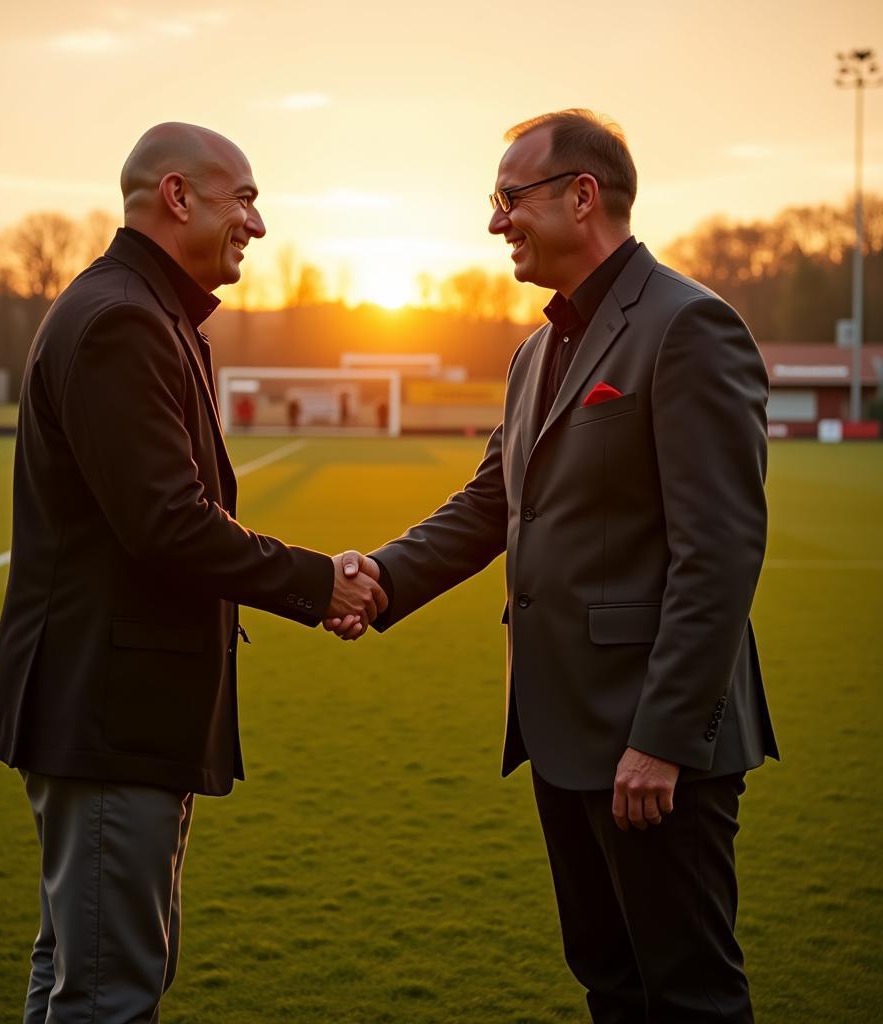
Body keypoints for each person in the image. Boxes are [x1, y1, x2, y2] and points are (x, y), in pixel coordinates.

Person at [328, 109, 777, 1023]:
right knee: (609, 984)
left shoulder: (689, 326)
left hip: (653, 746)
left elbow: (719, 550)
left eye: (510, 198)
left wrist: (662, 738)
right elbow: (494, 502)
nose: (496, 222)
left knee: (689, 995)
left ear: (584, 196)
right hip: (562, 731)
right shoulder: (537, 348)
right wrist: (378, 577)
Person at [0, 122, 386, 1024]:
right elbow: (167, 524)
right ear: (177, 196)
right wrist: (322, 584)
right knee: (107, 994)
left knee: (79, 977)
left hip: (118, 714)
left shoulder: (148, 312)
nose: (258, 222)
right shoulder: (123, 319)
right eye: (243, 197)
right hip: (107, 714)